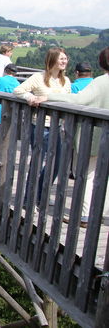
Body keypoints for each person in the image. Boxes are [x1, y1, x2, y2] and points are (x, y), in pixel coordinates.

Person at [31, 47, 109, 226]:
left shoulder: (101, 81)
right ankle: (100, 212)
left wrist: (47, 97)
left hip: (96, 137)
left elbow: (78, 100)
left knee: (88, 175)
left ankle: (85, 216)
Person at [14, 47, 71, 206]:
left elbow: (69, 100)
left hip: (57, 126)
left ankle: (40, 193)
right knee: (37, 163)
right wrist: (30, 97)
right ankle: (30, 198)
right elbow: (18, 90)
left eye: (65, 59)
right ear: (51, 60)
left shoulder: (65, 81)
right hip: (40, 125)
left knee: (57, 163)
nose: (64, 61)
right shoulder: (38, 77)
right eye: (61, 59)